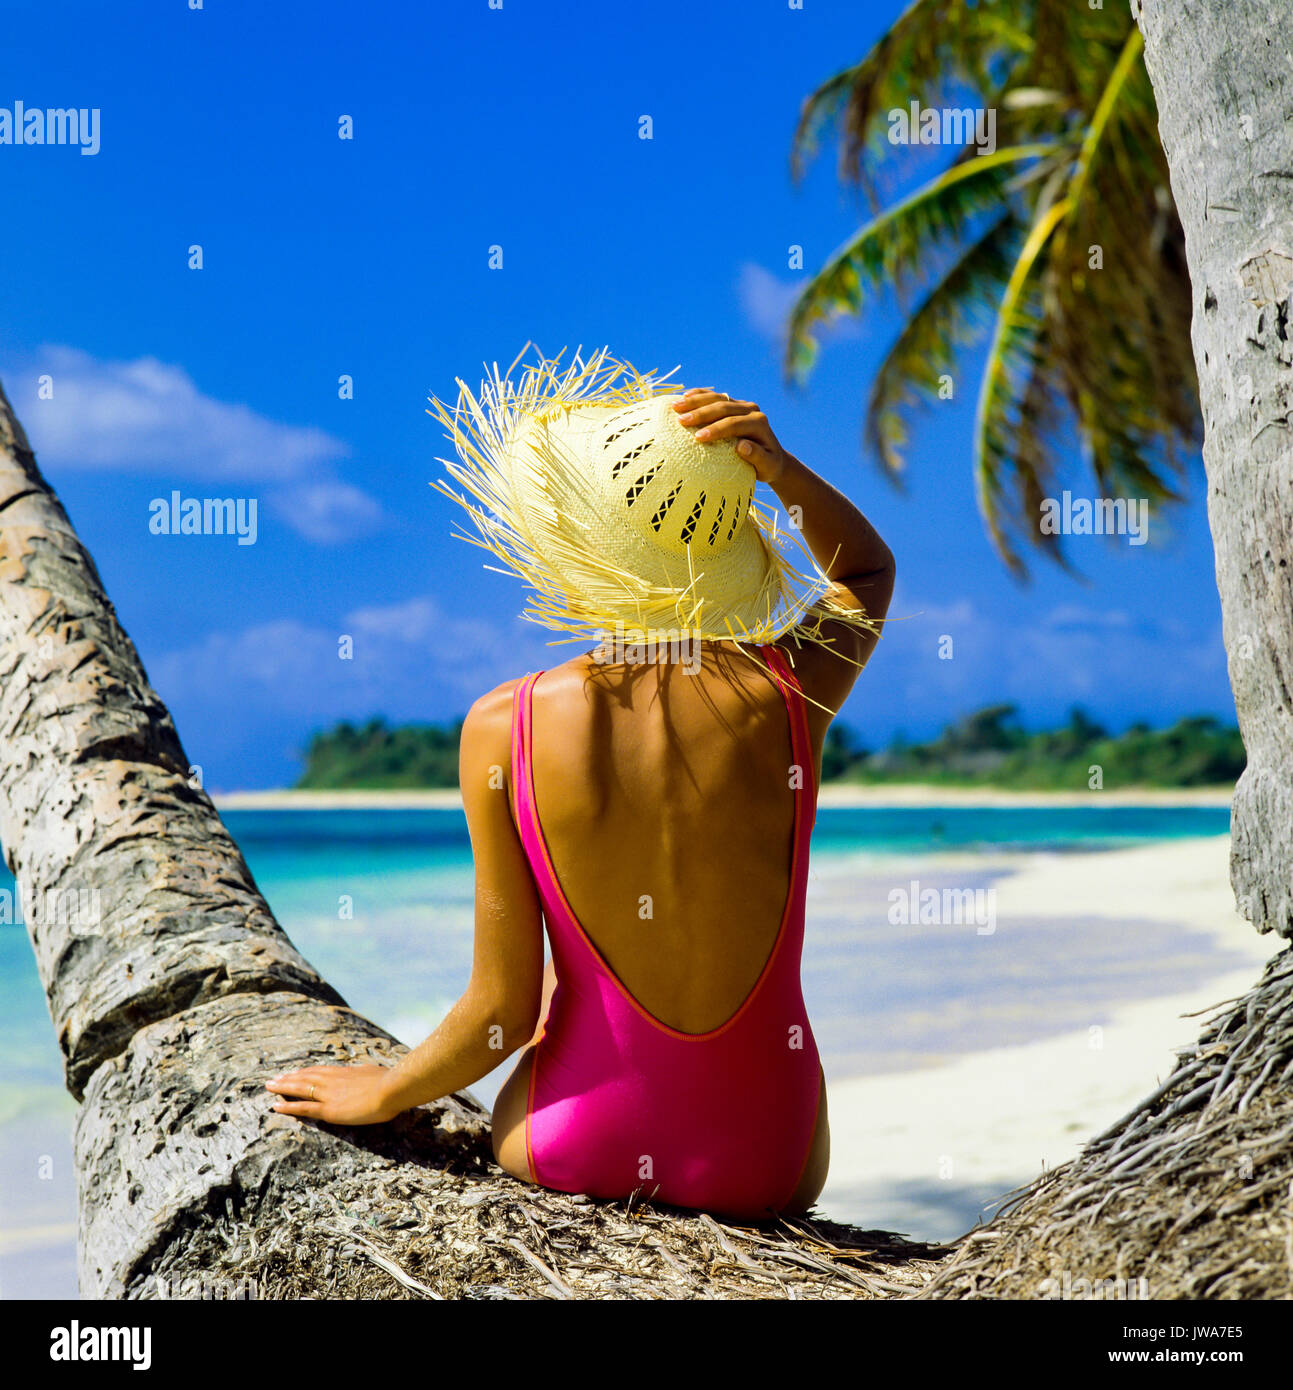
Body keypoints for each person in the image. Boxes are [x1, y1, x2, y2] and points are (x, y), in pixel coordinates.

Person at [267, 348, 895, 1220]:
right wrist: (776, 470)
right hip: (768, 1157)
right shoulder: (785, 695)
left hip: (579, 1139)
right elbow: (865, 571)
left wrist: (380, 1094)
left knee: (573, 987)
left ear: (573, 544)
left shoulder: (507, 725)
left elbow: (500, 1012)